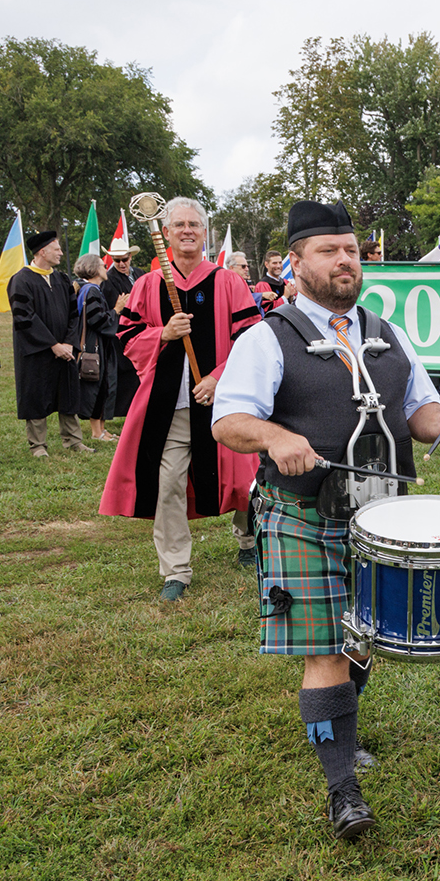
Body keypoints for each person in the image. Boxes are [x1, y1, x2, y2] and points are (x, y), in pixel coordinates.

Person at [212, 200, 440, 841]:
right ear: (294, 264)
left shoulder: (386, 333)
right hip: (303, 512)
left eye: (351, 250)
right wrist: (274, 438)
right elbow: (229, 420)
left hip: (382, 515)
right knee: (327, 646)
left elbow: (416, 413)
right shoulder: (267, 338)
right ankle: (342, 789)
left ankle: (340, 727)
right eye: (328, 252)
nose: (344, 261)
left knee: (365, 633)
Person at [99, 197, 263, 596]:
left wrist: (217, 378)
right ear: (167, 233)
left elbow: (251, 341)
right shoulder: (148, 285)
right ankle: (176, 569)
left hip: (222, 404)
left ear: (204, 233)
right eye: (179, 225)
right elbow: (126, 337)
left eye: (194, 224)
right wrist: (164, 334)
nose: (187, 230)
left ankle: (248, 540)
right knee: (167, 482)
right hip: (167, 407)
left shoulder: (228, 282)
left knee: (243, 479)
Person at [6, 231, 93, 458]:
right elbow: (24, 318)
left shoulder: (62, 279)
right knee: (36, 395)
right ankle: (38, 445)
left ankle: (73, 440)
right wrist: (53, 345)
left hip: (65, 349)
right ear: (42, 252)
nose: (61, 253)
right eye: (57, 249)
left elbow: (74, 314)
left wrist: (69, 343)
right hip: (36, 350)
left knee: (68, 393)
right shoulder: (21, 280)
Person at [71, 254, 120, 443]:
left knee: (104, 386)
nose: (106, 266)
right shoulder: (90, 290)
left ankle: (102, 429)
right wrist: (116, 310)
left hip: (99, 344)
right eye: (102, 264)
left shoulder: (91, 289)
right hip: (94, 344)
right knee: (96, 386)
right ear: (93, 268)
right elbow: (97, 320)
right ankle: (96, 432)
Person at [103, 236, 144, 420]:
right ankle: (126, 411)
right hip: (123, 331)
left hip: (145, 329)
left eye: (124, 259)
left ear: (130, 257)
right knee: (127, 373)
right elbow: (111, 307)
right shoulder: (109, 280)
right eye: (117, 260)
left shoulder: (141, 274)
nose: (121, 264)